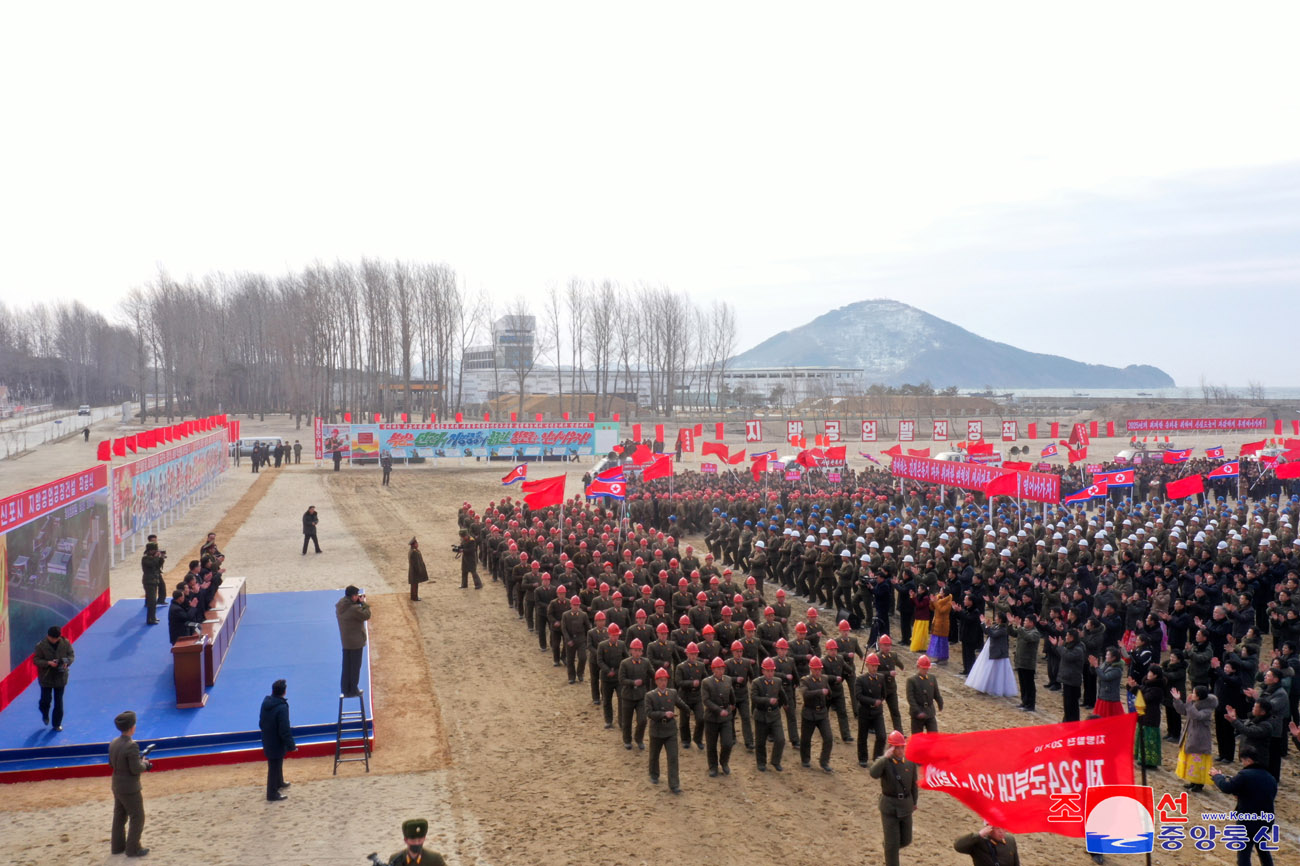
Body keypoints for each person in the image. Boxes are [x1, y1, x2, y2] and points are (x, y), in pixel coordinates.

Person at [1210, 748, 1277, 866]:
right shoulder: (1270, 777)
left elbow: (1226, 787)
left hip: (1248, 821)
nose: (1243, 764)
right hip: (1266, 820)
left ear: (1249, 760)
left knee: (1244, 854)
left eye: (1243, 761)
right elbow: (1263, 796)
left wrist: (1217, 776)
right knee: (1263, 850)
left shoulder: (1245, 775)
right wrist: (1241, 795)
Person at [869, 730, 918, 866]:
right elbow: (873, 773)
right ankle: (890, 851)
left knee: (906, 839)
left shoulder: (909, 762)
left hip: (906, 805)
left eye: (902, 747)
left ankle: (889, 848)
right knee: (892, 845)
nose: (901, 750)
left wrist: (914, 802)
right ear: (892, 748)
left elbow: (913, 784)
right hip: (890, 807)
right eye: (898, 747)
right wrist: (885, 757)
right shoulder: (885, 762)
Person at [109, 710, 152, 857]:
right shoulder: (132, 746)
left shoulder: (114, 743)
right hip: (129, 787)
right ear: (132, 727)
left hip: (116, 784)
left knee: (119, 815)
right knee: (137, 816)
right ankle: (133, 848)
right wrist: (145, 765)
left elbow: (111, 764)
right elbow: (135, 769)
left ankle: (117, 847)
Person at [645, 667, 689, 793]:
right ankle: (654, 774)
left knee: (673, 757)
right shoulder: (650, 696)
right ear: (656, 681)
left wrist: (688, 710)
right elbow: (649, 713)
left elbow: (680, 703)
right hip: (657, 730)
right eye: (661, 680)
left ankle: (674, 784)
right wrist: (664, 714)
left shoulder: (672, 693)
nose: (663, 682)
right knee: (654, 754)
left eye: (665, 680)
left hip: (670, 730)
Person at [1171, 685, 1217, 791]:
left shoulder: (1207, 709)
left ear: (1199, 696)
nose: (1192, 694)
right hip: (1191, 735)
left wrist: (1189, 705)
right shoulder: (1194, 704)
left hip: (1199, 738)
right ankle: (1193, 781)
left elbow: (1197, 716)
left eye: (1194, 693)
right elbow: (1183, 711)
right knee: (1191, 760)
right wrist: (1177, 700)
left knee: (1198, 761)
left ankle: (1199, 784)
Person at [258, 679, 295, 801]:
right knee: (274, 766)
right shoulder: (282, 707)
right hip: (277, 741)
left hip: (267, 738)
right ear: (284, 692)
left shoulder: (265, 702)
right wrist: (291, 745)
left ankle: (279, 782)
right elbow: (284, 728)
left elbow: (261, 722)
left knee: (276, 763)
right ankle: (272, 794)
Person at [966, 612, 1017, 698]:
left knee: (997, 671)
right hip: (992, 650)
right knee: (990, 670)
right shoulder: (997, 626)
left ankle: (995, 689)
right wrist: (983, 623)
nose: (995, 618)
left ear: (1000, 619)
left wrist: (988, 626)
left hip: (998, 653)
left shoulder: (1003, 629)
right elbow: (987, 632)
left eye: (997, 616)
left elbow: (993, 634)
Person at [34, 625, 74, 730]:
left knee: (59, 701)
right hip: (46, 677)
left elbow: (71, 655)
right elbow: (36, 660)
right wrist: (48, 663)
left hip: (60, 676)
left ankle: (56, 724)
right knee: (46, 700)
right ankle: (44, 713)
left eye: (56, 638)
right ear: (48, 636)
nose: (54, 640)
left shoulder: (65, 643)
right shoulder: (41, 646)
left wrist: (66, 662)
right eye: (52, 638)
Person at [701, 655, 736, 776]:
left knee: (727, 742)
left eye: (722, 669)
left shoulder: (727, 680)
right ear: (713, 670)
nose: (720, 671)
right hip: (712, 717)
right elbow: (706, 700)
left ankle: (724, 762)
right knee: (711, 744)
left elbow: (731, 694)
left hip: (726, 717)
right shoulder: (706, 682)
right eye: (718, 669)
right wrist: (718, 710)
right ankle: (713, 766)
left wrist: (732, 705)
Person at [752, 656, 787, 772]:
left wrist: (781, 705)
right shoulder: (756, 682)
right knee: (760, 741)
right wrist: (768, 701)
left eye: (772, 670)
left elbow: (782, 695)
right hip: (761, 715)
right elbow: (754, 698)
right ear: (763, 671)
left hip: (775, 715)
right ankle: (761, 762)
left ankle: (776, 761)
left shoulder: (777, 681)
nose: (770, 673)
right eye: (768, 670)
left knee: (780, 739)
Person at [799, 655, 834, 772]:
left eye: (819, 669)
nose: (818, 671)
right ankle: (805, 759)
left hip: (822, 713)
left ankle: (824, 761)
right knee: (806, 739)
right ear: (811, 669)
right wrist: (820, 692)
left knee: (828, 738)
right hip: (809, 713)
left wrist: (828, 695)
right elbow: (805, 694)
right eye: (815, 669)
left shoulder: (824, 679)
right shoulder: (805, 680)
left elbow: (829, 692)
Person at [336, 586, 371, 696]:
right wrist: (363, 603)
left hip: (346, 641)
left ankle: (345, 689)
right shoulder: (354, 609)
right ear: (353, 596)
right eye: (356, 595)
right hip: (356, 642)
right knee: (355, 667)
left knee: (346, 667)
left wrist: (357, 603)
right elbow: (367, 615)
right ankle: (353, 689)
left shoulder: (340, 604)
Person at [1009, 615, 1040, 712]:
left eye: (1026, 621)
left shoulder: (1035, 633)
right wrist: (1010, 624)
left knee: (1029, 684)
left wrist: (1019, 627)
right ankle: (1024, 701)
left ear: (1031, 623)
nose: (1024, 622)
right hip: (1020, 661)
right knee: (1023, 683)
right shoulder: (1023, 630)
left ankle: (1030, 704)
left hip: (1028, 663)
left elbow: (1028, 638)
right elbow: (1013, 633)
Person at [954, 821, 1021, 866]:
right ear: (989, 828)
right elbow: (958, 846)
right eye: (997, 828)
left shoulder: (1010, 840)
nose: (1001, 831)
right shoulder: (978, 842)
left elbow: (1016, 863)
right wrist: (979, 834)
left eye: (1003, 828)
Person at [906, 655, 942, 734]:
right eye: (924, 668)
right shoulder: (911, 680)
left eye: (927, 668)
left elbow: (936, 692)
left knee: (933, 735)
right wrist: (917, 711)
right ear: (918, 667)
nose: (926, 670)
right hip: (917, 713)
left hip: (930, 711)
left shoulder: (932, 678)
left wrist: (940, 702)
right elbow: (910, 698)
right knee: (917, 738)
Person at [140, 543, 166, 625]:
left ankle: (153, 617)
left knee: (153, 601)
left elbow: (158, 566)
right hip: (148, 582)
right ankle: (150, 619)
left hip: (154, 581)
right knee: (152, 601)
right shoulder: (145, 559)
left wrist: (161, 558)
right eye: (155, 550)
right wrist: (156, 557)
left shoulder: (153, 558)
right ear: (150, 550)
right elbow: (152, 564)